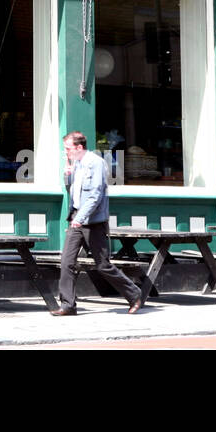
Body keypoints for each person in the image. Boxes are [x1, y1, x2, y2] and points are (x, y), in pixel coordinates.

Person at [51, 131, 143, 316]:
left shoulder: (95, 163)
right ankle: (68, 305)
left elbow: (95, 195)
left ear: (79, 147)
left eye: (67, 149)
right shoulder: (75, 163)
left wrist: (80, 218)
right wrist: (67, 176)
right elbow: (73, 192)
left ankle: (134, 294)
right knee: (67, 261)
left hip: (93, 221)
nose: (65, 152)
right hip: (76, 217)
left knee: (102, 264)